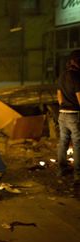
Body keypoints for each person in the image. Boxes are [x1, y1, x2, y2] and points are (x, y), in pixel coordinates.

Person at [57, 49, 80, 184]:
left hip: (62, 114)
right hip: (74, 115)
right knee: (77, 144)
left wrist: (64, 106)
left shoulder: (62, 76)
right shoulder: (77, 77)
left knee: (63, 142)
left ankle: (61, 170)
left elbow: (59, 96)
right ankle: (78, 175)